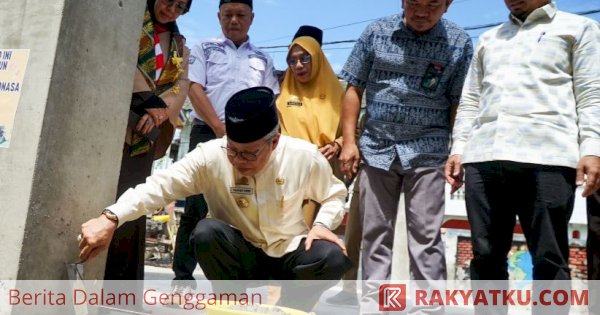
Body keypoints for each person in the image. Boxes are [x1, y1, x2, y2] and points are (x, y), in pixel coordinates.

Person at [79, 87, 352, 312]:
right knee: (206, 232)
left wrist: (323, 224)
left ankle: (290, 309)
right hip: (238, 254)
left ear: (275, 142)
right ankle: (231, 305)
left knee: (331, 256)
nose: (238, 160)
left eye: (249, 154)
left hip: (288, 251)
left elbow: (335, 194)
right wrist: (111, 217)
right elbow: (159, 186)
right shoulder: (210, 155)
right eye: (233, 150)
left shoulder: (303, 156)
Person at [445, 0, 600, 284]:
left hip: (548, 157)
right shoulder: (489, 38)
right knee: (486, 257)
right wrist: (458, 148)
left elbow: (592, 93)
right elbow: (470, 101)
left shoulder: (580, 29)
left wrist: (592, 149)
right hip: (484, 157)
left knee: (549, 258)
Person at [338, 0, 473, 313]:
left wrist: (458, 150)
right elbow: (353, 88)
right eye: (414, 3)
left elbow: (458, 101)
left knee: (426, 235)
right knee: (375, 233)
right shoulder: (376, 32)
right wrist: (349, 141)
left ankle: (430, 307)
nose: (422, 12)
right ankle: (375, 304)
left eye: (432, 5)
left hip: (429, 151)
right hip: (376, 148)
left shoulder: (458, 42)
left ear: (448, 5)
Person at [172, 0, 280, 293]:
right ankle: (182, 279)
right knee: (196, 205)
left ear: (252, 18)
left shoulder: (263, 58)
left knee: (243, 207)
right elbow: (194, 89)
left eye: (240, 15)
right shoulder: (204, 49)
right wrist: (221, 131)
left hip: (250, 143)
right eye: (228, 15)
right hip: (209, 132)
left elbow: (269, 100)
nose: (234, 20)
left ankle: (232, 285)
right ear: (219, 17)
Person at [104, 0, 192, 282]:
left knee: (132, 205)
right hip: (116, 120)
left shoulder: (180, 44)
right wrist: (148, 99)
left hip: (148, 131)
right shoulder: (131, 23)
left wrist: (160, 112)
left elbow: (181, 84)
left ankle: (120, 288)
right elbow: (119, 58)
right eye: (168, 1)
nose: (171, 10)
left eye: (180, 7)